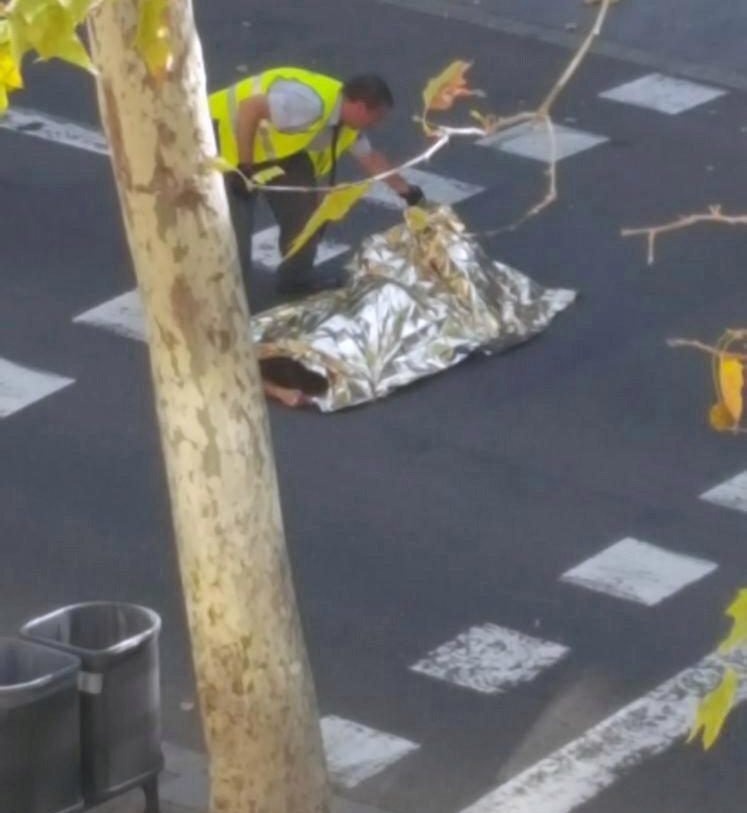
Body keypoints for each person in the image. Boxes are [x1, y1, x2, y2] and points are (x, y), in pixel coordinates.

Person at [209, 67, 425, 296]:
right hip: (224, 146)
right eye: (376, 117)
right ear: (360, 107)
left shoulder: (345, 120)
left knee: (306, 217)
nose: (376, 124)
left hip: (279, 152)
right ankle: (224, 300)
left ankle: (295, 281)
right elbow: (249, 108)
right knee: (232, 231)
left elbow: (370, 158)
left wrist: (406, 191)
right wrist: (245, 168)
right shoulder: (309, 105)